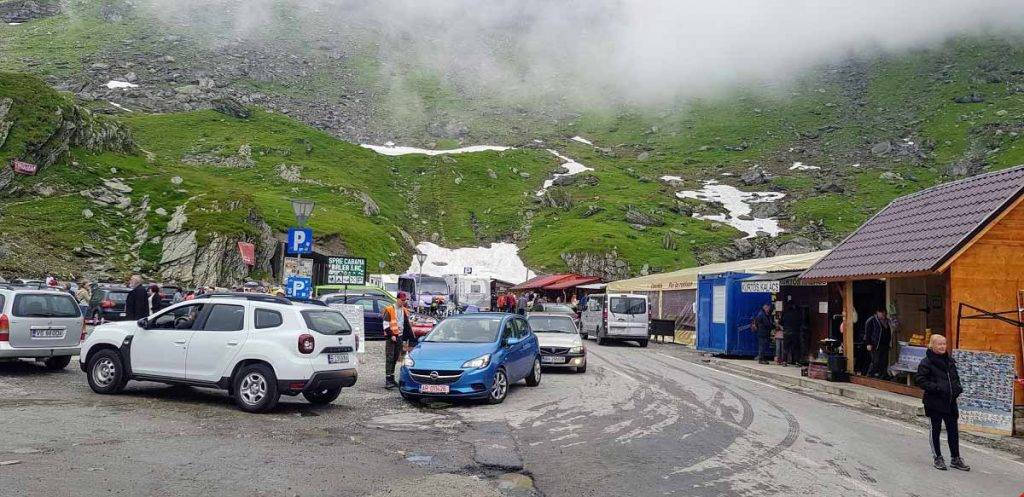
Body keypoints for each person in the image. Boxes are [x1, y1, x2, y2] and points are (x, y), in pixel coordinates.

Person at [915, 334, 969, 472]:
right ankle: (937, 457)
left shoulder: (950, 361)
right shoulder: (926, 362)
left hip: (950, 402)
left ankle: (955, 458)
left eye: (944, 344)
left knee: (953, 430)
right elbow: (920, 380)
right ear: (932, 345)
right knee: (935, 429)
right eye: (939, 344)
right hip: (934, 402)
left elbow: (955, 379)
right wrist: (936, 388)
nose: (942, 347)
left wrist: (957, 389)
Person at [381, 291, 415, 389]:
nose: (403, 302)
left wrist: (409, 336)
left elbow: (406, 324)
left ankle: (392, 378)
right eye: (402, 300)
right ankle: (388, 380)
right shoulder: (389, 309)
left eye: (405, 300)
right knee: (390, 358)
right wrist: (392, 335)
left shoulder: (404, 310)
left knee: (396, 357)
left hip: (399, 337)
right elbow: (385, 325)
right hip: (391, 337)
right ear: (397, 299)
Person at [865, 308, 892, 378]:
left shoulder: (886, 320)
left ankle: (882, 376)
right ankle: (869, 376)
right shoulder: (871, 320)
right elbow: (867, 333)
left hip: (885, 344)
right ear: (877, 312)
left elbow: (889, 331)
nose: (883, 314)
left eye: (884, 313)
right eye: (881, 313)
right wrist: (868, 343)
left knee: (884, 361)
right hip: (875, 344)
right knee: (875, 361)